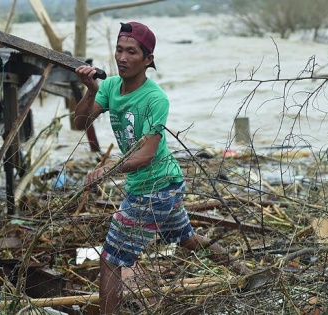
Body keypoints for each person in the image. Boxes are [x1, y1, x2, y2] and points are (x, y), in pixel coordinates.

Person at [74, 21, 251, 314]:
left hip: (156, 188)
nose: (122, 58)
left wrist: (108, 171)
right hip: (160, 186)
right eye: (119, 50)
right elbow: (80, 124)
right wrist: (90, 91)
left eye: (131, 52)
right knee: (187, 238)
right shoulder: (109, 87)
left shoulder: (155, 98)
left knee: (111, 259)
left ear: (148, 60)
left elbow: (146, 154)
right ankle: (245, 271)